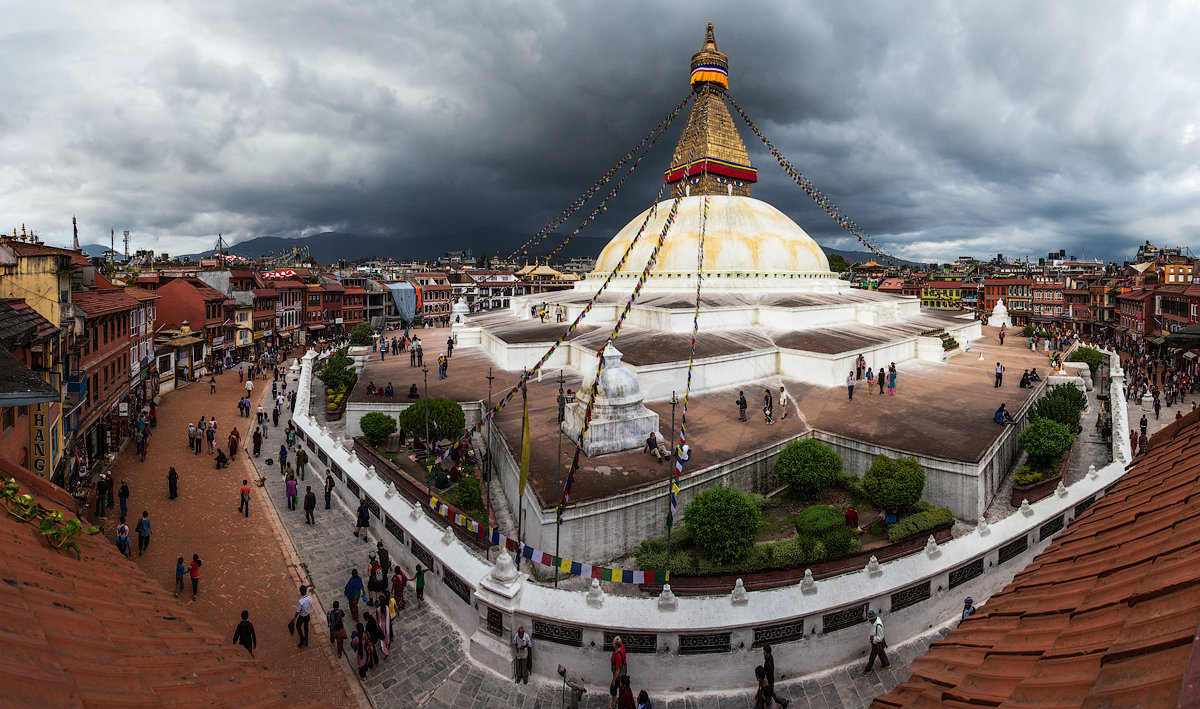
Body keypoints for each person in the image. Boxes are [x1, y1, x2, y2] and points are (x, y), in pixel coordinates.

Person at [862, 610, 890, 674]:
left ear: (873, 619)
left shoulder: (878, 626)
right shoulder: (876, 621)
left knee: (872, 657)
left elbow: (880, 638)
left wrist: (873, 638)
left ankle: (867, 670)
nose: (869, 621)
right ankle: (886, 664)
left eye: (870, 620)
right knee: (881, 653)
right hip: (875, 643)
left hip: (876, 643)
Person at [608, 635, 627, 709]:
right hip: (622, 672)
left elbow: (618, 669)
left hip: (618, 675)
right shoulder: (622, 647)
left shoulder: (618, 655)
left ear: (616, 645)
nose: (612, 643)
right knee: (620, 687)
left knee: (613, 688)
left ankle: (613, 703)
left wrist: (613, 680)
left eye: (613, 643)